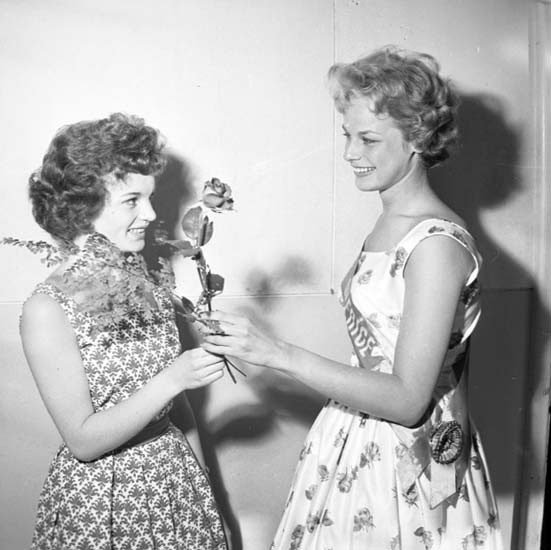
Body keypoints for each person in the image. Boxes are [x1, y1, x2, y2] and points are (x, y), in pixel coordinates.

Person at [201, 47, 504, 549]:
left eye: (368, 139)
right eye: (348, 135)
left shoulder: (435, 245)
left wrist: (277, 353)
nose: (349, 153)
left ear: (418, 138)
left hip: (405, 462)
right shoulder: (392, 221)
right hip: (358, 441)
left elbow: (409, 400)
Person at [20, 113, 228, 549]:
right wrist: (173, 378)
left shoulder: (145, 280)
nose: (150, 214)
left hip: (174, 481)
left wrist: (205, 493)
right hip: (105, 501)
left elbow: (179, 407)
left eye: (148, 198)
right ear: (84, 206)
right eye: (133, 200)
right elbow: (83, 441)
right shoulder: (47, 308)